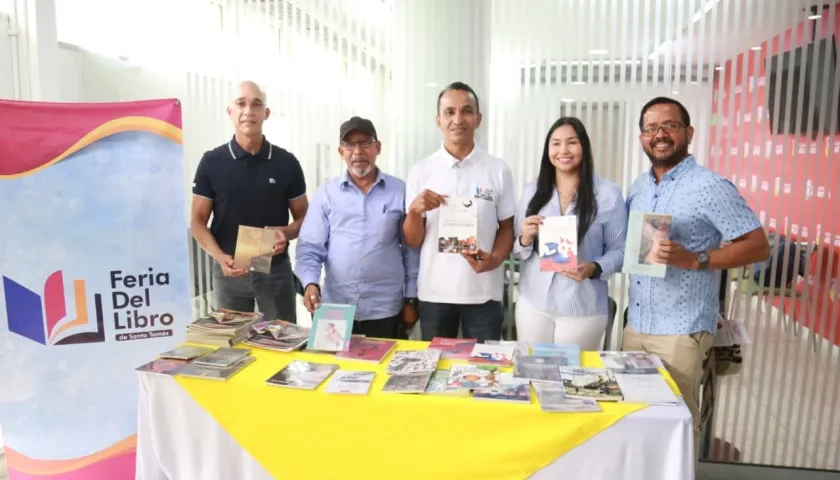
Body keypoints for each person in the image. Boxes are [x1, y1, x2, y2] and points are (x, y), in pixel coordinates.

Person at [624, 97, 770, 460]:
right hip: (636, 325)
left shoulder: (710, 186)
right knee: (635, 420)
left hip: (682, 331)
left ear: (688, 132)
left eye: (669, 126)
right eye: (651, 128)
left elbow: (757, 246)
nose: (659, 134)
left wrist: (697, 259)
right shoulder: (638, 188)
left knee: (678, 428)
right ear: (642, 137)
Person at [403, 82, 516, 343]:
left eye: (466, 111)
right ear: (438, 120)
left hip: (484, 293)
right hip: (435, 294)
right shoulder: (421, 171)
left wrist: (495, 259)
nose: (458, 119)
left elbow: (507, 227)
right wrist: (414, 212)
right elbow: (412, 240)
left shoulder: (498, 170)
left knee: (484, 376)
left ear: (478, 119)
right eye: (449, 112)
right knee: (437, 373)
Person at [190, 80, 309, 323]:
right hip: (230, 272)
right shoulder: (212, 162)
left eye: (256, 104)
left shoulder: (286, 163)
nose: (248, 111)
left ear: (265, 113)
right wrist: (219, 257)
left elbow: (305, 219)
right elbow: (197, 222)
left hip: (275, 272)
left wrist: (284, 232)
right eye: (240, 103)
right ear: (230, 112)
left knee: (281, 343)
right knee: (232, 348)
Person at [295, 116, 420, 339]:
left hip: (385, 309)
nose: (357, 151)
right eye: (349, 144)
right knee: (331, 371)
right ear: (340, 151)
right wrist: (310, 284)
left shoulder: (400, 191)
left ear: (377, 147)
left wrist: (411, 299)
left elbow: (410, 250)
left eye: (365, 142)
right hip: (335, 307)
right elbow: (310, 247)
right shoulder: (326, 193)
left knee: (385, 371)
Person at [513, 117, 628, 350]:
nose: (563, 150)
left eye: (571, 142)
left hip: (581, 309)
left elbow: (621, 250)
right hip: (533, 304)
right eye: (555, 143)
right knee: (533, 376)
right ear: (548, 150)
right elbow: (517, 249)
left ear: (583, 146)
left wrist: (594, 267)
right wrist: (525, 237)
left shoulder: (608, 194)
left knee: (571, 380)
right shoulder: (533, 191)